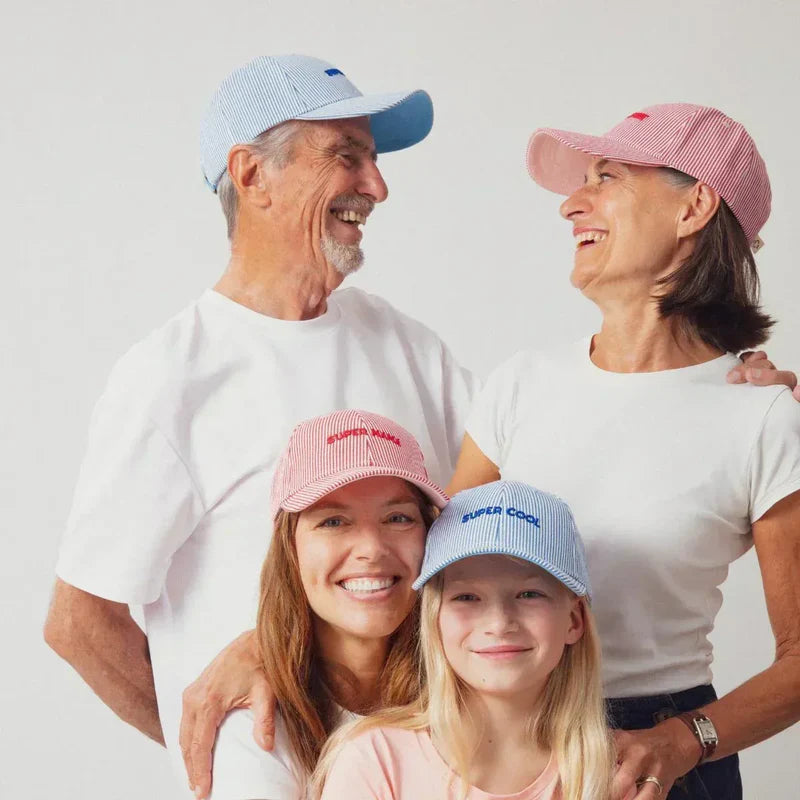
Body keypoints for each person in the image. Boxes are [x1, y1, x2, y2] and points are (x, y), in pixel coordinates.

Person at [43, 54, 474, 796]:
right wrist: (215, 740)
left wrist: (719, 369)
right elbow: (80, 623)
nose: (377, 186)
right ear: (251, 176)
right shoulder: (172, 377)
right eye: (348, 156)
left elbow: (497, 524)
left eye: (372, 159)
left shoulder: (407, 346)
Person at [447, 104, 800, 798]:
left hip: (661, 757)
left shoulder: (762, 418)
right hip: (497, 733)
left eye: (605, 178)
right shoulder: (519, 384)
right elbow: (437, 581)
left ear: (695, 206)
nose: (571, 206)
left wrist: (681, 743)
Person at [314, 481, 616, 800]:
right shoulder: (375, 760)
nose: (499, 623)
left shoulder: (610, 772)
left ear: (574, 620)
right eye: (467, 597)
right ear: (434, 620)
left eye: (530, 594)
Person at [209, 409, 448, 798]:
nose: (371, 549)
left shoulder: (472, 684)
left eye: (399, 518)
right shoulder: (258, 724)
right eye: (334, 521)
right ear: (291, 547)